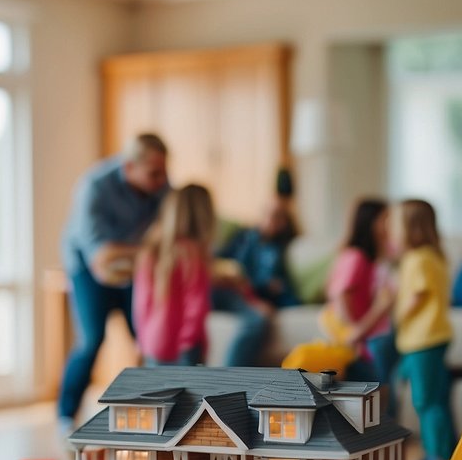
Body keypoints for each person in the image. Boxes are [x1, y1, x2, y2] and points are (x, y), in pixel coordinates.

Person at [58, 133, 169, 427]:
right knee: (91, 339)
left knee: (149, 338)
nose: (162, 181)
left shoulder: (162, 187)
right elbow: (102, 256)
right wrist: (146, 249)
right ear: (130, 167)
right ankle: (65, 417)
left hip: (132, 268)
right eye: (154, 174)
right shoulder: (95, 187)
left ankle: (155, 410)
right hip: (88, 268)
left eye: (164, 172)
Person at [389, 199, 456, 460]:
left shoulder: (417, 259)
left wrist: (397, 315)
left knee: (426, 400)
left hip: (422, 340)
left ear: (411, 229)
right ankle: (444, 453)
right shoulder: (432, 256)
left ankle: (437, 457)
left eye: (395, 226)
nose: (392, 232)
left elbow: (416, 296)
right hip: (432, 338)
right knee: (435, 398)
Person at [323, 198, 399, 416]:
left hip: (366, 336)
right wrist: (357, 331)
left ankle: (387, 422)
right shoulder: (356, 257)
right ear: (371, 223)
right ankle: (387, 424)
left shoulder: (371, 257)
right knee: (380, 384)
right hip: (360, 340)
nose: (389, 226)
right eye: (385, 220)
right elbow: (341, 296)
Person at [211, 198, 299, 367]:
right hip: (236, 289)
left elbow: (284, 288)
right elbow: (227, 265)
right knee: (258, 319)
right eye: (269, 214)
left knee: (260, 318)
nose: (272, 221)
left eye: (279, 217)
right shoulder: (244, 237)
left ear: (285, 222)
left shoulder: (280, 247)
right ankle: (232, 376)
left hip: (260, 294)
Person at [133, 185, 215, 365]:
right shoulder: (193, 253)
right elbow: (197, 304)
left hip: (153, 342)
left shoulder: (150, 250)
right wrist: (190, 343)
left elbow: (141, 302)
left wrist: (141, 341)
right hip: (184, 346)